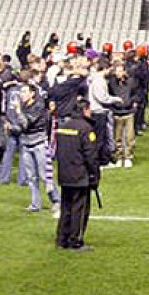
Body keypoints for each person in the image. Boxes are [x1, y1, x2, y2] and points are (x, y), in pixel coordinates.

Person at [55, 99, 101, 250]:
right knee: (79, 210)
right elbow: (91, 156)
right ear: (85, 110)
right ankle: (76, 240)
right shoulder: (86, 129)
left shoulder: (63, 126)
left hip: (64, 173)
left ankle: (62, 239)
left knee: (66, 208)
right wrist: (94, 175)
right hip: (80, 174)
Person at [16, 83, 60, 215]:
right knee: (31, 177)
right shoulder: (23, 106)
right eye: (21, 92)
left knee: (44, 175)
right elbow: (20, 126)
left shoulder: (38, 106)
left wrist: (18, 113)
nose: (21, 94)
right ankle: (35, 203)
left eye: (24, 92)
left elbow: (25, 124)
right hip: (26, 143)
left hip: (39, 143)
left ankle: (56, 201)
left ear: (32, 93)